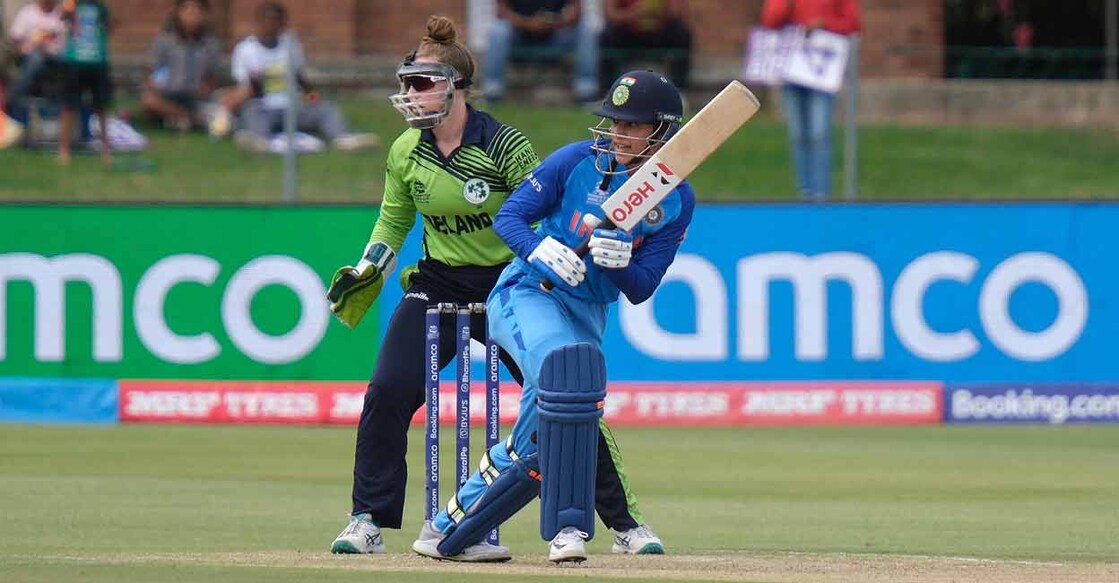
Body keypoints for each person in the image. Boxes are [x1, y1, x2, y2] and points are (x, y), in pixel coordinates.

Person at [326, 16, 665, 561]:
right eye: (407, 83)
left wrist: (554, 256)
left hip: (512, 284)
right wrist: (370, 267)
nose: (411, 95)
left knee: (564, 397)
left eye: (422, 83)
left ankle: (625, 523)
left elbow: (542, 213)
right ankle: (367, 518)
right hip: (438, 283)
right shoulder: (404, 151)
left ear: (456, 88)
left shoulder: (503, 144)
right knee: (388, 391)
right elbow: (393, 222)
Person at [410, 69, 692, 564]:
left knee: (555, 425)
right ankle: (566, 530)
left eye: (633, 125)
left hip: (586, 314)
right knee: (565, 378)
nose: (619, 133)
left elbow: (643, 287)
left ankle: (450, 526)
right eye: (614, 122)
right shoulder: (574, 161)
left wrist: (621, 263)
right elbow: (509, 218)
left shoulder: (675, 199)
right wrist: (540, 246)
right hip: (528, 292)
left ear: (662, 131)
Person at [215, 1, 378, 152]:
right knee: (252, 113)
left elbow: (300, 78)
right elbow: (244, 88)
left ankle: (343, 138)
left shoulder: (290, 45)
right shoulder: (246, 50)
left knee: (326, 109)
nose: (271, 26)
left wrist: (313, 97)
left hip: (291, 105)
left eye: (276, 21)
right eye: (267, 21)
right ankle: (259, 141)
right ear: (258, 23)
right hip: (262, 106)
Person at [761, 0, 860, 201]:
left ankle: (821, 193)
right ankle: (804, 192)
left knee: (819, 132)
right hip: (792, 66)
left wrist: (824, 23)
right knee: (797, 134)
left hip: (821, 68)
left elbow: (852, 23)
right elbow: (770, 21)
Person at [483, 0, 599, 104]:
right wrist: (529, 24)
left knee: (585, 30)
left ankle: (586, 90)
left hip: (555, 34)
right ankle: (493, 90)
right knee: (498, 31)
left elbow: (576, 12)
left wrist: (554, 22)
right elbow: (502, 12)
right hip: (520, 36)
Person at [140, 0, 222, 132]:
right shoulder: (164, 41)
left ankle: (179, 120)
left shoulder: (210, 44)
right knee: (150, 102)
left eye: (196, 12)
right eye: (187, 12)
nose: (191, 17)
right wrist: (154, 84)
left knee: (219, 104)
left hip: (195, 97)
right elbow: (151, 71)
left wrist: (207, 87)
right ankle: (193, 119)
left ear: (203, 15)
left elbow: (213, 76)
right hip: (169, 95)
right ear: (178, 14)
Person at [57, 0, 112, 166]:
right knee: (69, 105)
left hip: (97, 61)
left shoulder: (100, 7)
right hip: (75, 61)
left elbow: (109, 24)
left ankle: (105, 148)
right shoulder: (73, 4)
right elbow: (62, 16)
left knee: (101, 107)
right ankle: (64, 149)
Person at [600, 0, 692, 90]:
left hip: (658, 33)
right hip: (629, 32)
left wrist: (659, 14)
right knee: (607, 35)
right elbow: (611, 14)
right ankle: (606, 89)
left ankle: (679, 88)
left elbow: (677, 12)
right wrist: (632, 14)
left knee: (682, 33)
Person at [6, 0, 66, 105]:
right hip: (30, 54)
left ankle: (63, 101)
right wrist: (23, 46)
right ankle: (15, 97)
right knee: (36, 59)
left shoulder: (61, 14)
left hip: (55, 55)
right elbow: (15, 37)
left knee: (68, 63)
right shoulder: (28, 13)